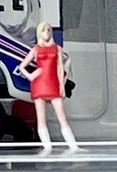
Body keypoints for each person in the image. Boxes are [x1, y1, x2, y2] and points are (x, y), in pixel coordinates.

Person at [17, 21, 78, 153]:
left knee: (62, 117)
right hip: (39, 85)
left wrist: (61, 87)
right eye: (44, 30)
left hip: (53, 84)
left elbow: (60, 68)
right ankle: (47, 147)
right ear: (39, 33)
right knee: (41, 119)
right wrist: (30, 76)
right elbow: (22, 66)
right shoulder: (36, 49)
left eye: (49, 30)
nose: (47, 33)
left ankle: (73, 146)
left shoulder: (57, 49)